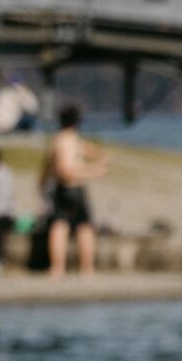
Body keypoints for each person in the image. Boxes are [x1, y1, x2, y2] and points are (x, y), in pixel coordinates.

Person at [42, 103, 110, 278]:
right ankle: (86, 268)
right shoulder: (75, 140)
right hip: (75, 187)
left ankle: (59, 268)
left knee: (63, 227)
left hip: (65, 188)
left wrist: (95, 165)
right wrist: (93, 169)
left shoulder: (60, 140)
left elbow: (58, 168)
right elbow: (67, 169)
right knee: (81, 227)